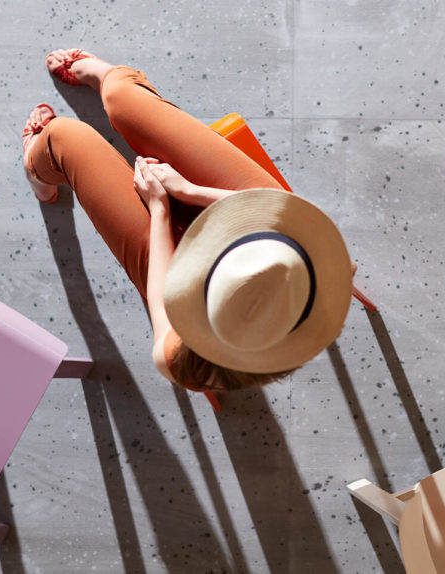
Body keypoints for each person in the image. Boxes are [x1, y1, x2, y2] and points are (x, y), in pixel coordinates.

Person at [21, 49, 353, 392]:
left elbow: (164, 295)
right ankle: (106, 80)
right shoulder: (312, 274)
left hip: (178, 269)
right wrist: (190, 191)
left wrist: (161, 209)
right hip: (249, 220)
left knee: (64, 137)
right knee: (123, 99)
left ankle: (37, 169)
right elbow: (276, 212)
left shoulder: (182, 359)